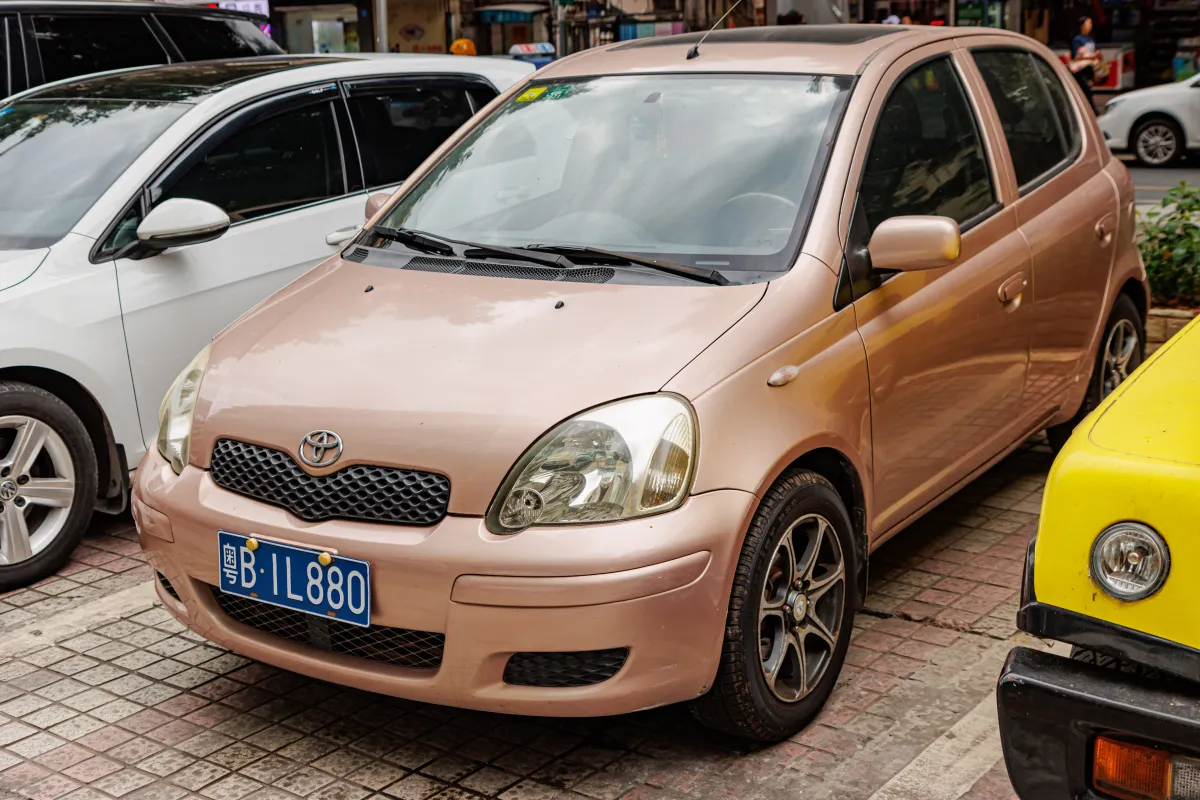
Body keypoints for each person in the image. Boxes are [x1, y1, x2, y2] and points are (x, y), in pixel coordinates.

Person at [1070, 16, 1103, 112]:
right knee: (1086, 90)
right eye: (1088, 23)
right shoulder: (1077, 39)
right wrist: (1091, 57)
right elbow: (1076, 57)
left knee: (1087, 91)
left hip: (1090, 68)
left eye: (1091, 23)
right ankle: (1093, 111)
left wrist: (1096, 56)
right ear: (1082, 25)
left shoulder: (1090, 38)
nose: (1090, 26)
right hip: (1081, 69)